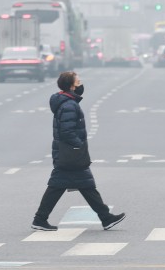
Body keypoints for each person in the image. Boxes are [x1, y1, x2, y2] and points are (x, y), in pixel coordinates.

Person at [31, 71, 125, 231]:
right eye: (78, 82)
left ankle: (105, 217)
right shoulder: (69, 105)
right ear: (71, 85)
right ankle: (40, 219)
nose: (81, 85)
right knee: (73, 186)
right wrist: (78, 145)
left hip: (67, 152)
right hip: (70, 153)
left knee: (80, 185)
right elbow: (67, 131)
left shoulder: (67, 102)